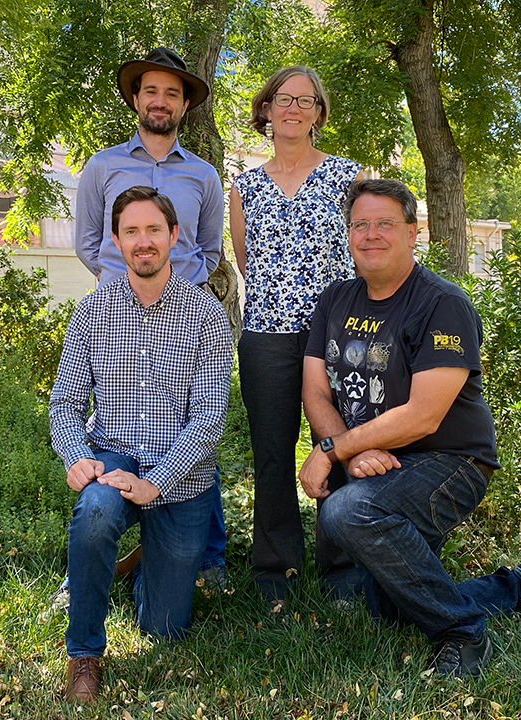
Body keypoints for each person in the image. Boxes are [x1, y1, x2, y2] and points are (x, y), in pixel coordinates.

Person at [298, 179, 521, 679]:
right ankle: (520, 585)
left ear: (412, 232)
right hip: (376, 461)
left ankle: (462, 633)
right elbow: (316, 391)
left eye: (385, 223)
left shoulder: (441, 303)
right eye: (360, 224)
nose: (371, 234)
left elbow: (424, 415)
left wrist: (336, 448)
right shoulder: (335, 299)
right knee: (382, 604)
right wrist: (347, 452)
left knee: (348, 510)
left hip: (449, 461)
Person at [51, 186, 232, 704]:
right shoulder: (92, 313)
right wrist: (77, 457)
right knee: (94, 514)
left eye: (154, 229)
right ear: (116, 240)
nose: (143, 241)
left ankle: (137, 565)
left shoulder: (205, 314)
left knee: (165, 630)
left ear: (174, 237)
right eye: (131, 231)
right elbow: (64, 403)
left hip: (182, 476)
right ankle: (84, 655)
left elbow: (208, 420)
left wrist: (155, 483)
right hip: (114, 459)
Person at [64, 46, 229, 597]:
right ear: (136, 98)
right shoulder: (103, 166)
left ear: (184, 106)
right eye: (151, 90)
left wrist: (177, 285)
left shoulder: (204, 177)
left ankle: (201, 555)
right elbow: (90, 241)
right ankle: (90, 566)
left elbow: (208, 249)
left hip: (182, 318)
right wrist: (120, 284)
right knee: (116, 434)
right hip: (118, 319)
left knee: (194, 421)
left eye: (173, 93)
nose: (161, 101)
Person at [228, 66, 361, 602]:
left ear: (319, 114)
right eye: (283, 99)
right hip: (267, 334)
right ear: (265, 110)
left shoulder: (346, 177)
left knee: (344, 446)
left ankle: (345, 568)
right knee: (274, 454)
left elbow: (361, 250)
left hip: (339, 333)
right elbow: (247, 260)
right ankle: (275, 571)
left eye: (307, 101)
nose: (294, 108)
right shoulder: (245, 187)